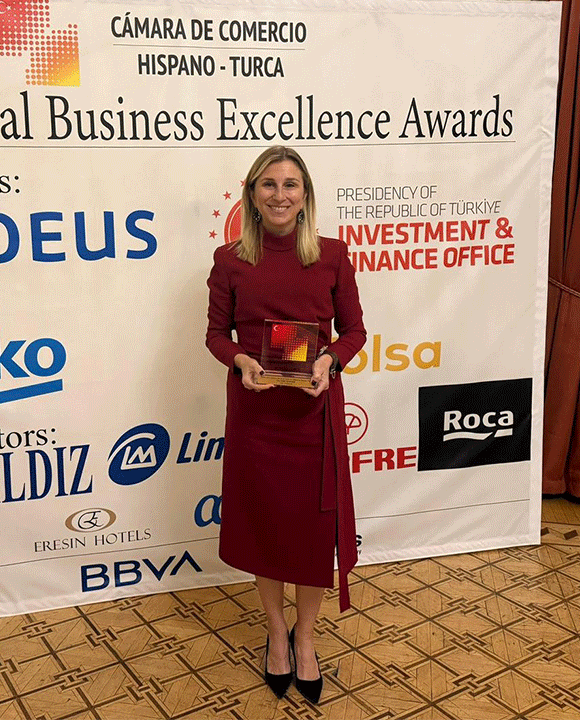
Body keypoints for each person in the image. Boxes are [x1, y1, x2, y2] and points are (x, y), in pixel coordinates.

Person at [204, 146, 366, 702]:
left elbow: (354, 332)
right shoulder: (229, 260)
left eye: (290, 184)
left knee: (312, 534)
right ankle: (277, 633)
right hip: (256, 416)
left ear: (305, 194)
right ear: (252, 195)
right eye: (268, 184)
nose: (279, 195)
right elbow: (215, 335)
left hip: (313, 415)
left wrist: (329, 361)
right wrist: (240, 360)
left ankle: (306, 637)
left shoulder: (332, 255)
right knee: (266, 529)